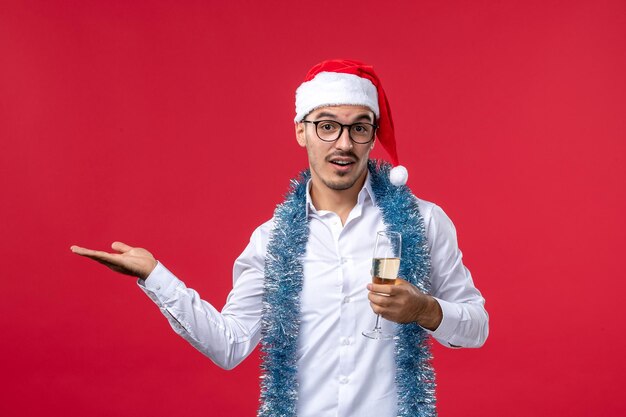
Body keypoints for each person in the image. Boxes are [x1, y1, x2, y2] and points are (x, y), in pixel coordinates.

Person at [71, 59, 488, 417]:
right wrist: (155, 275)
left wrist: (426, 309)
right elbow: (229, 344)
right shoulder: (271, 240)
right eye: (327, 126)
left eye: (359, 128)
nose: (343, 143)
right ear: (301, 132)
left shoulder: (422, 221)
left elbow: (477, 325)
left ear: (372, 136)